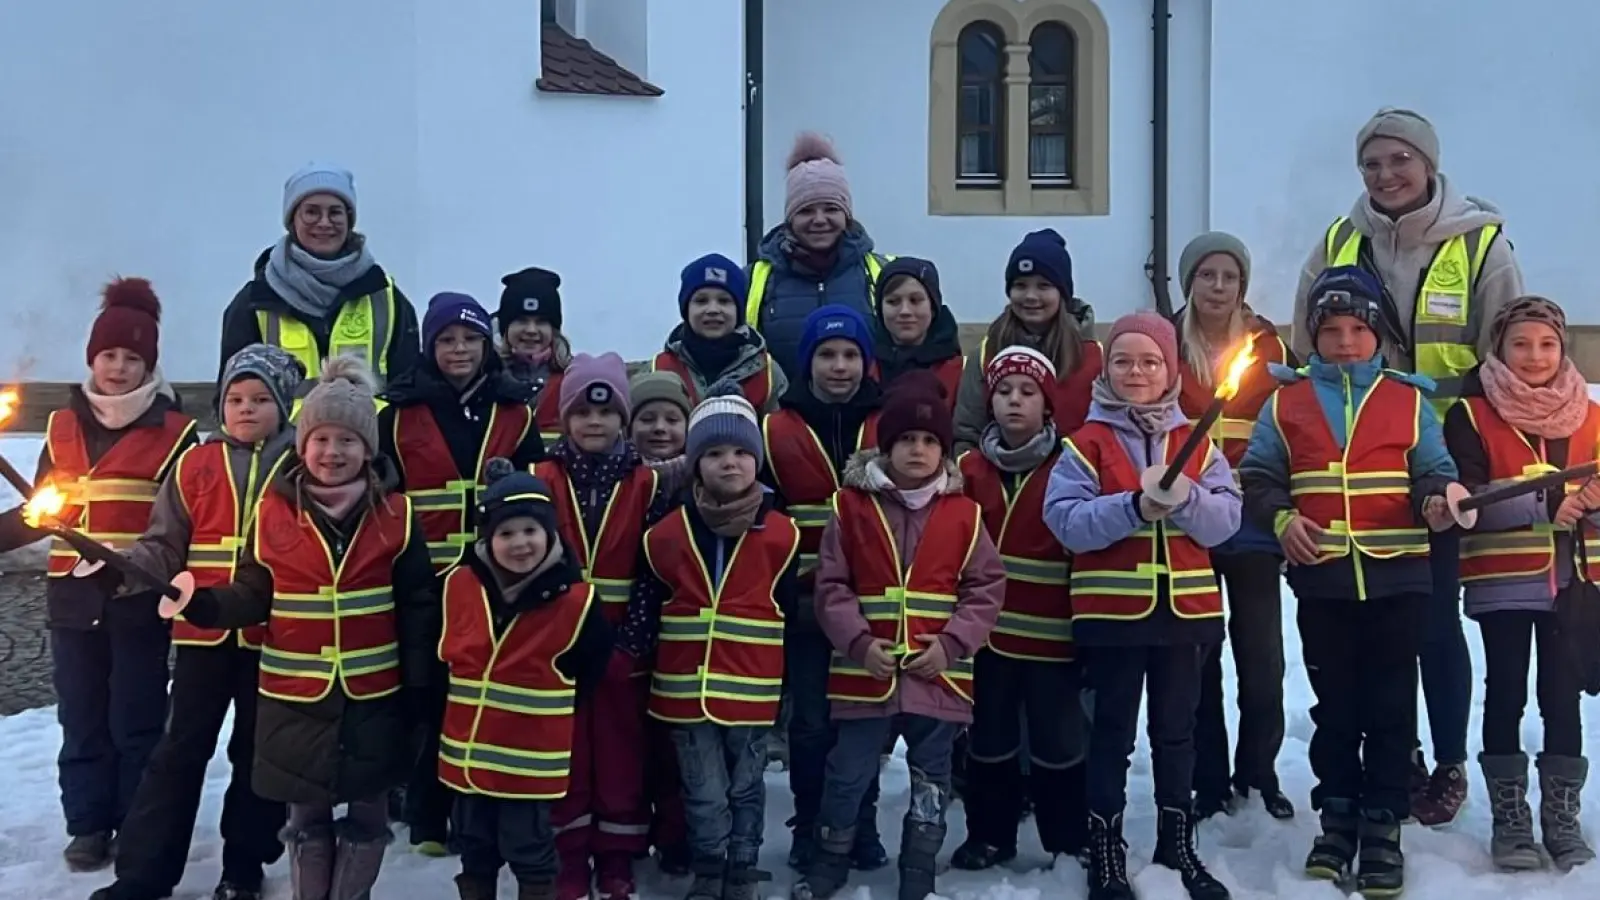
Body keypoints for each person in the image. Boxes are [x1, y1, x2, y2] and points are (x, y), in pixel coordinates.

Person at [1292, 109, 1526, 825]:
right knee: (1375, 614)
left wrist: (1498, 447)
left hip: (1446, 444)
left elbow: (1510, 348)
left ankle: (1448, 758)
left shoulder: (1480, 241)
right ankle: (1398, 753)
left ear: (1428, 163)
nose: (1386, 175)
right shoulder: (1339, 239)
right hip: (1358, 446)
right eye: (1372, 164)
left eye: (1399, 160)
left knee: (1433, 615)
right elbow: (1308, 343)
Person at [165, 356, 440, 900]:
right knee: (304, 817)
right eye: (321, 440)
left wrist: (419, 681)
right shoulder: (271, 513)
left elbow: (418, 603)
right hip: (293, 696)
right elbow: (253, 590)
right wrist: (208, 607)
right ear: (302, 445)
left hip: (373, 694)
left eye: (347, 441)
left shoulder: (398, 516)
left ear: (369, 450)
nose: (332, 453)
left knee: (368, 814)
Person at [1241, 266, 1458, 896]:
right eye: (1330, 330)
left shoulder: (1408, 400)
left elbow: (1434, 471)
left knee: (1391, 705)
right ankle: (1336, 814)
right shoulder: (1285, 402)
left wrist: (1436, 501)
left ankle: (1384, 819)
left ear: (1378, 336)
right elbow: (1257, 477)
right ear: (1312, 336)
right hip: (1325, 578)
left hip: (1399, 579)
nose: (1343, 341)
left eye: (1357, 329)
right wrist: (1281, 519)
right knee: (1335, 704)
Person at [87, 345, 302, 900]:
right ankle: (143, 874)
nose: (246, 409)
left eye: (260, 399)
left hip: (273, 638)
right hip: (201, 635)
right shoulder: (196, 464)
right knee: (178, 752)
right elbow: (164, 542)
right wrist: (130, 569)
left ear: (283, 404)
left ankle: (244, 867)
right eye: (234, 398)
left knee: (258, 754)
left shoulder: (299, 465)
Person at [0, 278, 197, 872]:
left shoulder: (176, 433)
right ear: (92, 357)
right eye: (109, 355)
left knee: (135, 716)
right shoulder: (61, 427)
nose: (118, 368)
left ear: (149, 366)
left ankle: (136, 817)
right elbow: (43, 510)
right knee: (81, 714)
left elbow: (185, 520)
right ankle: (87, 824)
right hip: (72, 599)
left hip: (138, 598)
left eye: (132, 358)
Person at [1044, 312, 1240, 900]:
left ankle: (1176, 841)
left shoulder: (1198, 444)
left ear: (1170, 370)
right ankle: (1105, 847)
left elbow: (1226, 520)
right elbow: (1066, 522)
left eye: (1150, 361)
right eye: (1124, 361)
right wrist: (1132, 506)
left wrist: (1184, 501)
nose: (1137, 372)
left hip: (1185, 616)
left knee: (1177, 732)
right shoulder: (1086, 444)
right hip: (1114, 619)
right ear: (1107, 369)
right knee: (1111, 733)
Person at [793, 371, 1005, 900]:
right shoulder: (851, 508)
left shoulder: (966, 513)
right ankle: (832, 855)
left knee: (932, 777)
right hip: (865, 673)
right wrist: (860, 645)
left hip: (940, 676)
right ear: (885, 446)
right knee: (848, 771)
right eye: (906, 439)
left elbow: (985, 588)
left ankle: (918, 867)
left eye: (930, 441)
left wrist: (951, 645)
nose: (918, 449)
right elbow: (832, 586)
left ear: (943, 451)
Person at [378, 291, 546, 855]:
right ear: (429, 346)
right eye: (447, 340)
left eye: (470, 339)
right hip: (422, 580)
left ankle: (483, 809)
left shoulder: (513, 409)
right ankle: (427, 814)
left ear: (486, 344)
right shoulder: (397, 415)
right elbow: (384, 498)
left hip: (494, 579)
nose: (459, 350)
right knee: (425, 692)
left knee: (483, 692)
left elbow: (538, 495)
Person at [623, 387, 801, 900]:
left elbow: (789, 614)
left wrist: (787, 689)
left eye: (743, 453)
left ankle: (741, 868)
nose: (730, 463)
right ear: (695, 462)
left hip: (751, 690)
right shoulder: (664, 535)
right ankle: (708, 867)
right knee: (703, 791)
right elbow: (649, 607)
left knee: (747, 786)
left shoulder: (783, 535)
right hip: (683, 691)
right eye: (716, 453)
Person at [1442, 296, 1596, 873]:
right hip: (1502, 581)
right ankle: (1511, 820)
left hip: (1574, 585)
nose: (1534, 356)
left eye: (1547, 344)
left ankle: (1561, 819)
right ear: (1499, 349)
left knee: (1563, 699)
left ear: (1563, 350)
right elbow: (1471, 502)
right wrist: (1547, 501)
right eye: (1521, 344)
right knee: (1505, 693)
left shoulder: (1591, 415)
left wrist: (1592, 506)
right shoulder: (1472, 414)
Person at [437, 460, 614, 900]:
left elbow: (590, 667)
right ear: (487, 539)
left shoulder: (576, 599)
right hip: (468, 759)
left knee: (529, 847)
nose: (520, 543)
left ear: (551, 533)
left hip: (528, 763)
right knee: (474, 846)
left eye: (530, 531)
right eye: (506, 533)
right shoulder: (459, 584)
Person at [535, 352, 675, 900]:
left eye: (607, 413)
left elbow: (655, 567)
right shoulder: (540, 478)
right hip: (558, 647)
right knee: (563, 753)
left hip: (622, 645)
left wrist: (634, 641)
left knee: (620, 753)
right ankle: (568, 857)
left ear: (623, 420)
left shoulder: (648, 484)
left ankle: (616, 856)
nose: (595, 423)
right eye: (581, 414)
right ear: (564, 419)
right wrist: (547, 640)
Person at [1170, 232, 1295, 820]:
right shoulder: (1166, 341)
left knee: (1262, 656)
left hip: (1251, 519)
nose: (1218, 287)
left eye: (1229, 277)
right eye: (1206, 276)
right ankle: (1208, 779)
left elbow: (1294, 429)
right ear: (1188, 282)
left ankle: (1259, 771)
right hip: (1188, 520)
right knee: (1199, 655)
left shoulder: (1266, 348)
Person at [759, 304, 887, 872]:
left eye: (851, 355)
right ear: (807, 361)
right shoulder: (774, 428)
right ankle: (811, 822)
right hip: (805, 604)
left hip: (875, 607)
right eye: (827, 355)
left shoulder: (890, 425)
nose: (840, 366)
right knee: (810, 724)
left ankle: (859, 821)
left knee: (863, 724)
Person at [951, 346, 1085, 871]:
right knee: (989, 739)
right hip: (986, 638)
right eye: (1004, 391)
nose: (1014, 401)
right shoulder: (967, 469)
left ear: (1047, 407)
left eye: (1028, 393)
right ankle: (989, 834)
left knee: (1058, 742)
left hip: (1054, 636)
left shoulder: (1071, 467)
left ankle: (1066, 837)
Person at [218, 162, 420, 397]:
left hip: (371, 434)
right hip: (287, 435)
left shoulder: (385, 295)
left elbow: (409, 391)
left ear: (349, 219)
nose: (324, 223)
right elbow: (231, 400)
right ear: (292, 219)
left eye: (335, 212)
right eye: (312, 211)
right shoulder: (255, 301)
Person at [747, 132, 892, 379]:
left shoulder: (881, 273)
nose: (819, 220)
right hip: (783, 415)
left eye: (831, 209)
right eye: (806, 210)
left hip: (864, 415)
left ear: (847, 215)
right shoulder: (756, 280)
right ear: (790, 219)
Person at [624, 369, 694, 874]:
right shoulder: (621, 481)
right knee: (632, 744)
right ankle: (628, 835)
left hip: (683, 639)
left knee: (676, 750)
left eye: (672, 418)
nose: (660, 428)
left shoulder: (701, 483)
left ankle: (676, 836)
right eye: (646, 418)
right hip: (629, 634)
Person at [953, 229, 1101, 454]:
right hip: (999, 484)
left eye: (1043, 286)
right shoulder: (986, 353)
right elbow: (967, 433)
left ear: (1062, 293)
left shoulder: (1093, 356)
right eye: (1021, 285)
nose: (1031, 296)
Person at [653, 254, 788, 413]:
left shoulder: (767, 373)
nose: (713, 310)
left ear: (739, 311)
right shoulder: (659, 369)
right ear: (686, 309)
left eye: (724, 301)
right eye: (701, 301)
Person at [869, 257, 963, 403]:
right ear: (880, 309)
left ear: (933, 307)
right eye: (893, 302)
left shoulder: (960, 373)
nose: (905, 311)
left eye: (915, 300)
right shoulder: (862, 369)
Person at [497, 266, 573, 445]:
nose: (531, 330)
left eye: (541, 322)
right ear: (505, 328)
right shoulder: (488, 377)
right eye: (521, 321)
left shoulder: (572, 378)